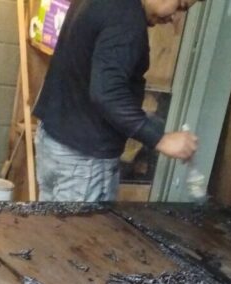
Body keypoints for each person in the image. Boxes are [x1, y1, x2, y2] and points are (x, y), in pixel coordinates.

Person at [33, 0, 202, 202]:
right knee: (78, 233)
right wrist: (161, 139)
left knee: (51, 229)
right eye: (180, 6)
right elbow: (107, 93)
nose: (176, 19)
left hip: (53, 141)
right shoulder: (126, 17)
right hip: (84, 162)